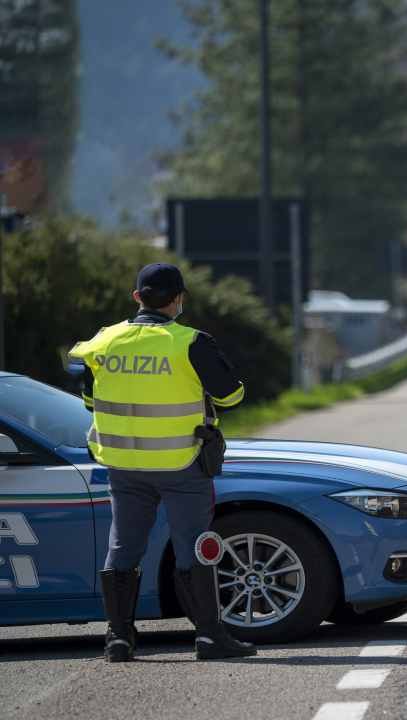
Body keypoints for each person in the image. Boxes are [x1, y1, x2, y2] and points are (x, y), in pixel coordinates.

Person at [68, 263, 256, 662]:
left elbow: (89, 402)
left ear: (137, 297)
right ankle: (209, 637)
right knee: (194, 546)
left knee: (123, 546)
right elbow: (231, 397)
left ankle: (118, 639)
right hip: (181, 462)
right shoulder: (189, 342)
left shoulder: (103, 343)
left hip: (123, 463)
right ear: (179, 299)